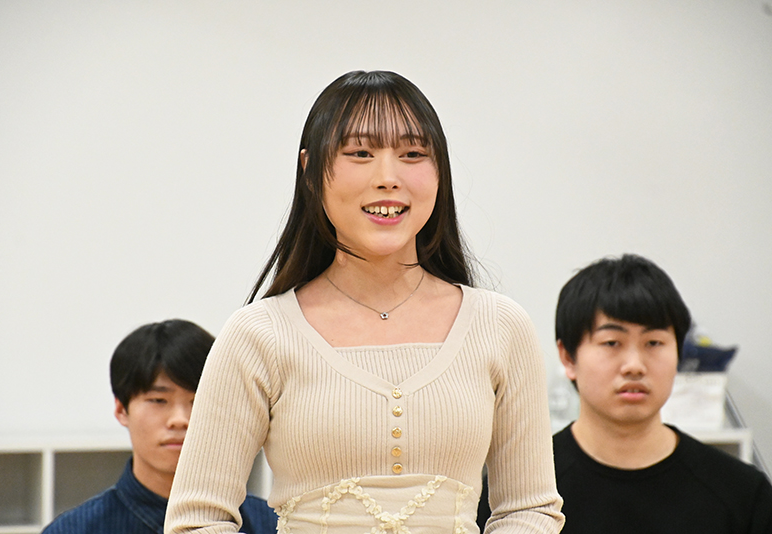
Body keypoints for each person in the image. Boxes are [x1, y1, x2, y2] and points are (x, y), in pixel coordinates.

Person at [165, 70, 564, 534]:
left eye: (413, 154)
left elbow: (529, 510)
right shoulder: (258, 335)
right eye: (360, 153)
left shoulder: (500, 326)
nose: (388, 178)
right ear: (310, 170)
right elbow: (198, 519)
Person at [553, 254, 772, 534]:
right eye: (611, 343)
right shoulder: (526, 491)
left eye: (654, 342)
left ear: (678, 352)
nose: (634, 366)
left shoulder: (744, 495)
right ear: (568, 357)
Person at [42, 319, 277, 534]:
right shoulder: (74, 530)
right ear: (122, 410)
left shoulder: (274, 525)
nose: (180, 419)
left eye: (198, 401)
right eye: (158, 400)